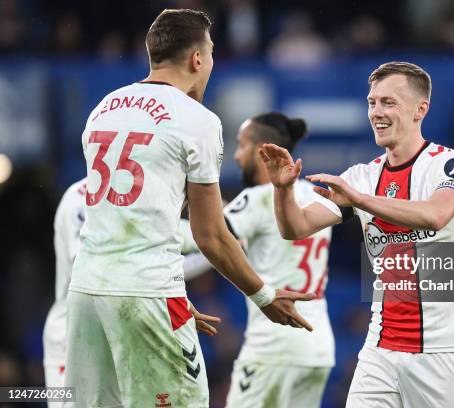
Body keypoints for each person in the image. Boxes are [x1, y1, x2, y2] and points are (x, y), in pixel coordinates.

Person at [65, 9, 314, 408]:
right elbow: (211, 236)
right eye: (211, 53)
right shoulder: (197, 119)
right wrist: (265, 296)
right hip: (145, 291)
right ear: (197, 59)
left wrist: (171, 293)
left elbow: (128, 217)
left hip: (86, 295)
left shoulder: (102, 109)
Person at [260, 61, 454, 407]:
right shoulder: (362, 176)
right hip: (380, 351)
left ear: (419, 110)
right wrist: (282, 189)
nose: (376, 112)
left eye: (388, 102)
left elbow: (437, 215)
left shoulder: (448, 164)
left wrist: (359, 200)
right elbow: (295, 227)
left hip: (445, 352)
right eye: (372, 102)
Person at [42, 177, 212, 406]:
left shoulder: (135, 196)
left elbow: (196, 240)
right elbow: (89, 267)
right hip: (72, 337)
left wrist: (227, 238)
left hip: (124, 328)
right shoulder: (79, 198)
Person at [223, 113, 334, 407]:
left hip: (272, 347)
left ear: (261, 150)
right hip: (318, 346)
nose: (236, 155)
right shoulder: (315, 196)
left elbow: (207, 239)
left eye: (241, 145)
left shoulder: (260, 197)